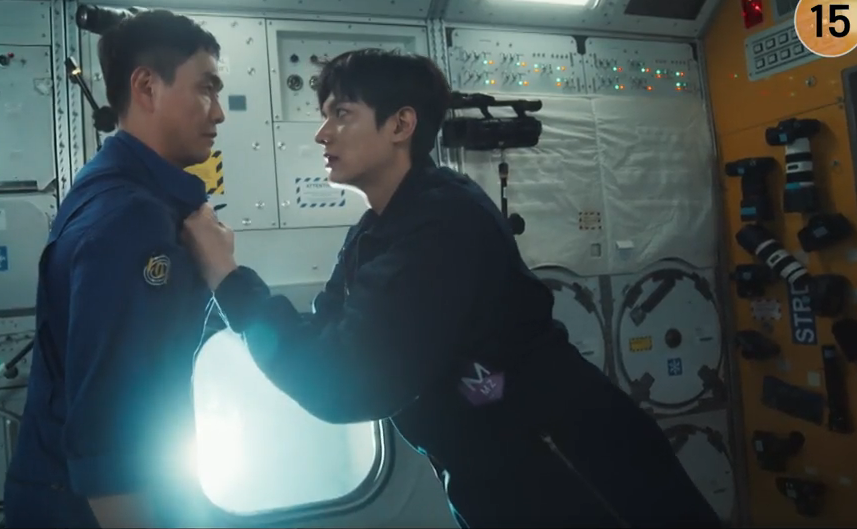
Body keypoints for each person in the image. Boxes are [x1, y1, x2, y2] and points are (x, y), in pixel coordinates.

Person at [180, 48, 721, 528]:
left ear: (401, 124)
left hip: (569, 464)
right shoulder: (377, 229)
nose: (323, 134)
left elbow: (345, 381)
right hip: (493, 469)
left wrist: (228, 278)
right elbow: (328, 334)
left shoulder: (443, 222)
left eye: (341, 114)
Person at [3, 9, 225, 528]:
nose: (219, 113)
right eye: (206, 89)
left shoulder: (112, 189)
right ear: (147, 87)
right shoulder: (131, 217)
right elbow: (110, 423)